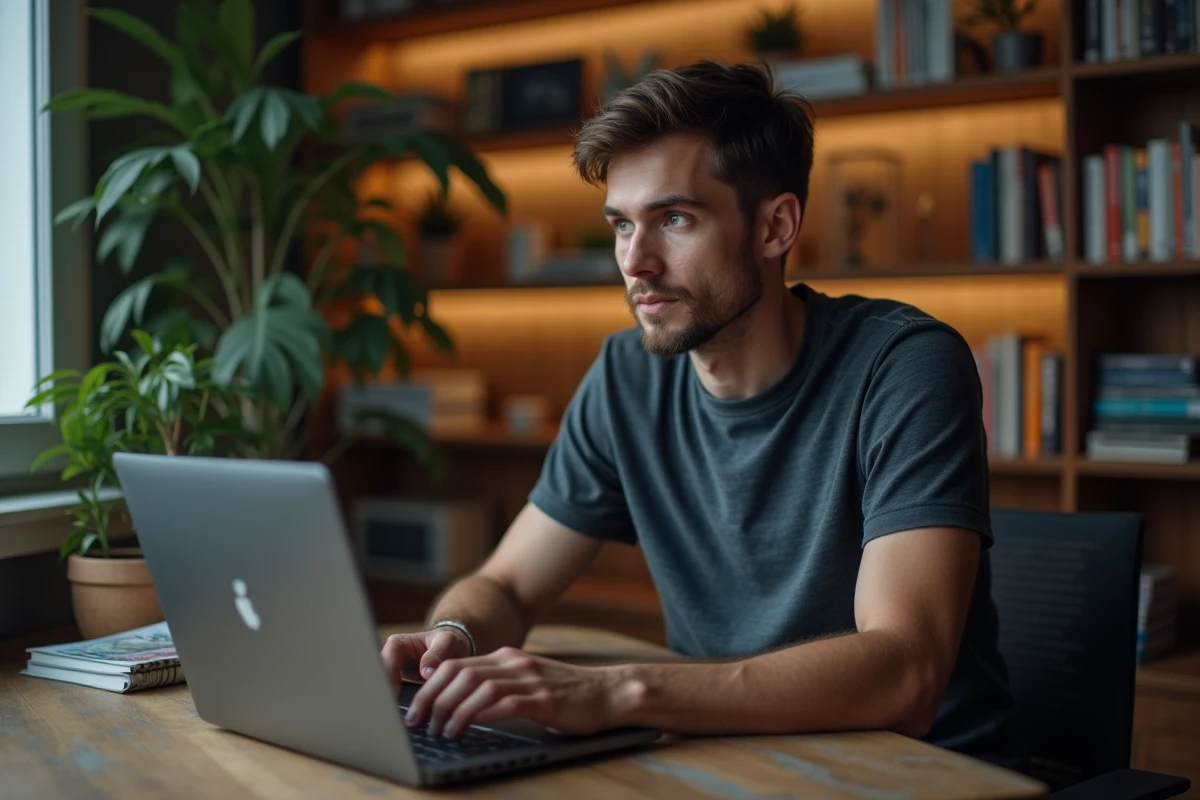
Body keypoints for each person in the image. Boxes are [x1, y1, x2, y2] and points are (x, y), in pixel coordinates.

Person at [383, 59, 1023, 771]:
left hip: (921, 774)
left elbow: (906, 670)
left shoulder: (904, 366)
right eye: (621, 224)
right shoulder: (625, 377)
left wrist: (621, 691)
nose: (636, 261)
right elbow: (506, 584)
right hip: (730, 761)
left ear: (775, 226)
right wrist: (455, 635)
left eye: (675, 219)